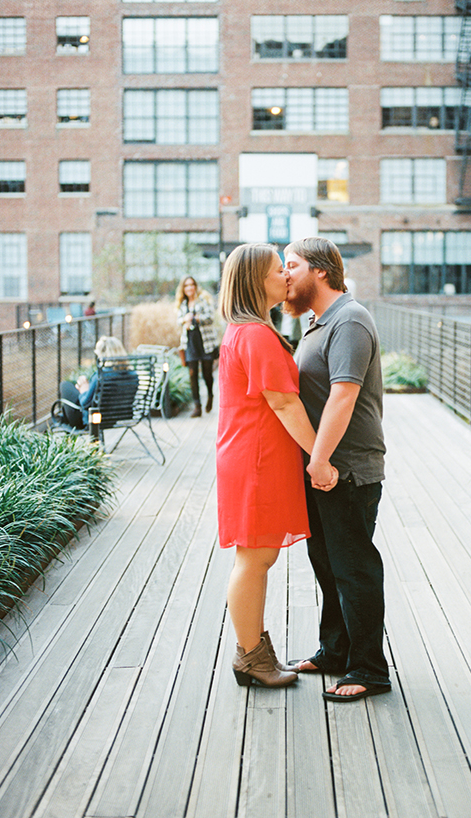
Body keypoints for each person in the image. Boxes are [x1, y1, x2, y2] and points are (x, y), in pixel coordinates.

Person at [216, 243, 338, 689]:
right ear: (254, 281)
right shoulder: (255, 335)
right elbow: (285, 404)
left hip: (252, 456)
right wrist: (319, 460)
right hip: (256, 460)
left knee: (255, 558)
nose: (286, 277)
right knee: (254, 559)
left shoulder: (245, 331)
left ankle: (254, 651)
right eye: (276, 271)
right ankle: (250, 655)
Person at [283, 237, 390, 703]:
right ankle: (335, 650)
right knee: (327, 566)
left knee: (354, 569)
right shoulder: (318, 323)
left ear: (321, 271)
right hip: (323, 470)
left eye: (292, 265)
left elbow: (344, 395)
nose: (284, 275)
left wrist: (321, 459)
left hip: (346, 470)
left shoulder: (349, 320)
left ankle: (369, 668)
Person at [57, 335, 128, 428]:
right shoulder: (132, 375)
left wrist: (84, 390)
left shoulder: (101, 376)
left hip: (92, 420)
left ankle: (64, 420)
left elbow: (85, 404)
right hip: (116, 418)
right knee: (73, 387)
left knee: (65, 385)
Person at [175, 275, 219, 418]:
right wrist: (184, 320)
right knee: (192, 374)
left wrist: (195, 318)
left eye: (191, 285)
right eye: (186, 285)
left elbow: (210, 317)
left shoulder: (203, 300)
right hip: (190, 342)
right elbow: (178, 320)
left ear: (195, 286)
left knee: (207, 373)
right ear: (183, 288)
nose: (189, 288)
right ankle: (197, 406)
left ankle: (210, 395)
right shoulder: (183, 304)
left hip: (204, 341)